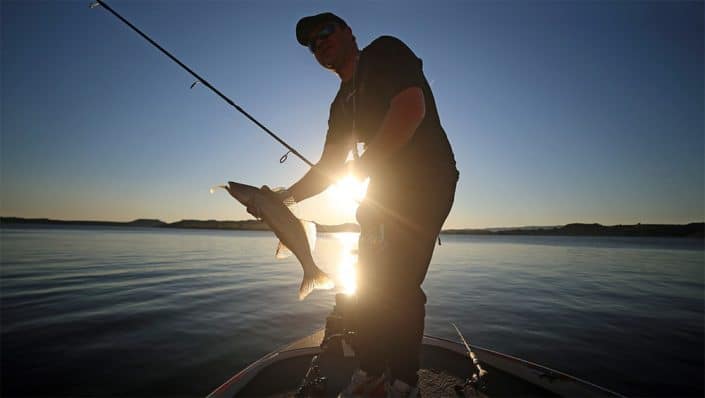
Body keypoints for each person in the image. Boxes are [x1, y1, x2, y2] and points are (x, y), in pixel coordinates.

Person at [255, 12, 458, 397]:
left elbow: (410, 109)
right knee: (366, 284)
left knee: (398, 284)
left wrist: (362, 166)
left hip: (428, 180)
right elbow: (328, 167)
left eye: (326, 32)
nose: (320, 43)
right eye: (313, 43)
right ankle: (370, 371)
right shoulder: (340, 106)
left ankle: (403, 383)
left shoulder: (384, 52)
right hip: (384, 192)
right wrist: (281, 199)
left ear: (349, 32)